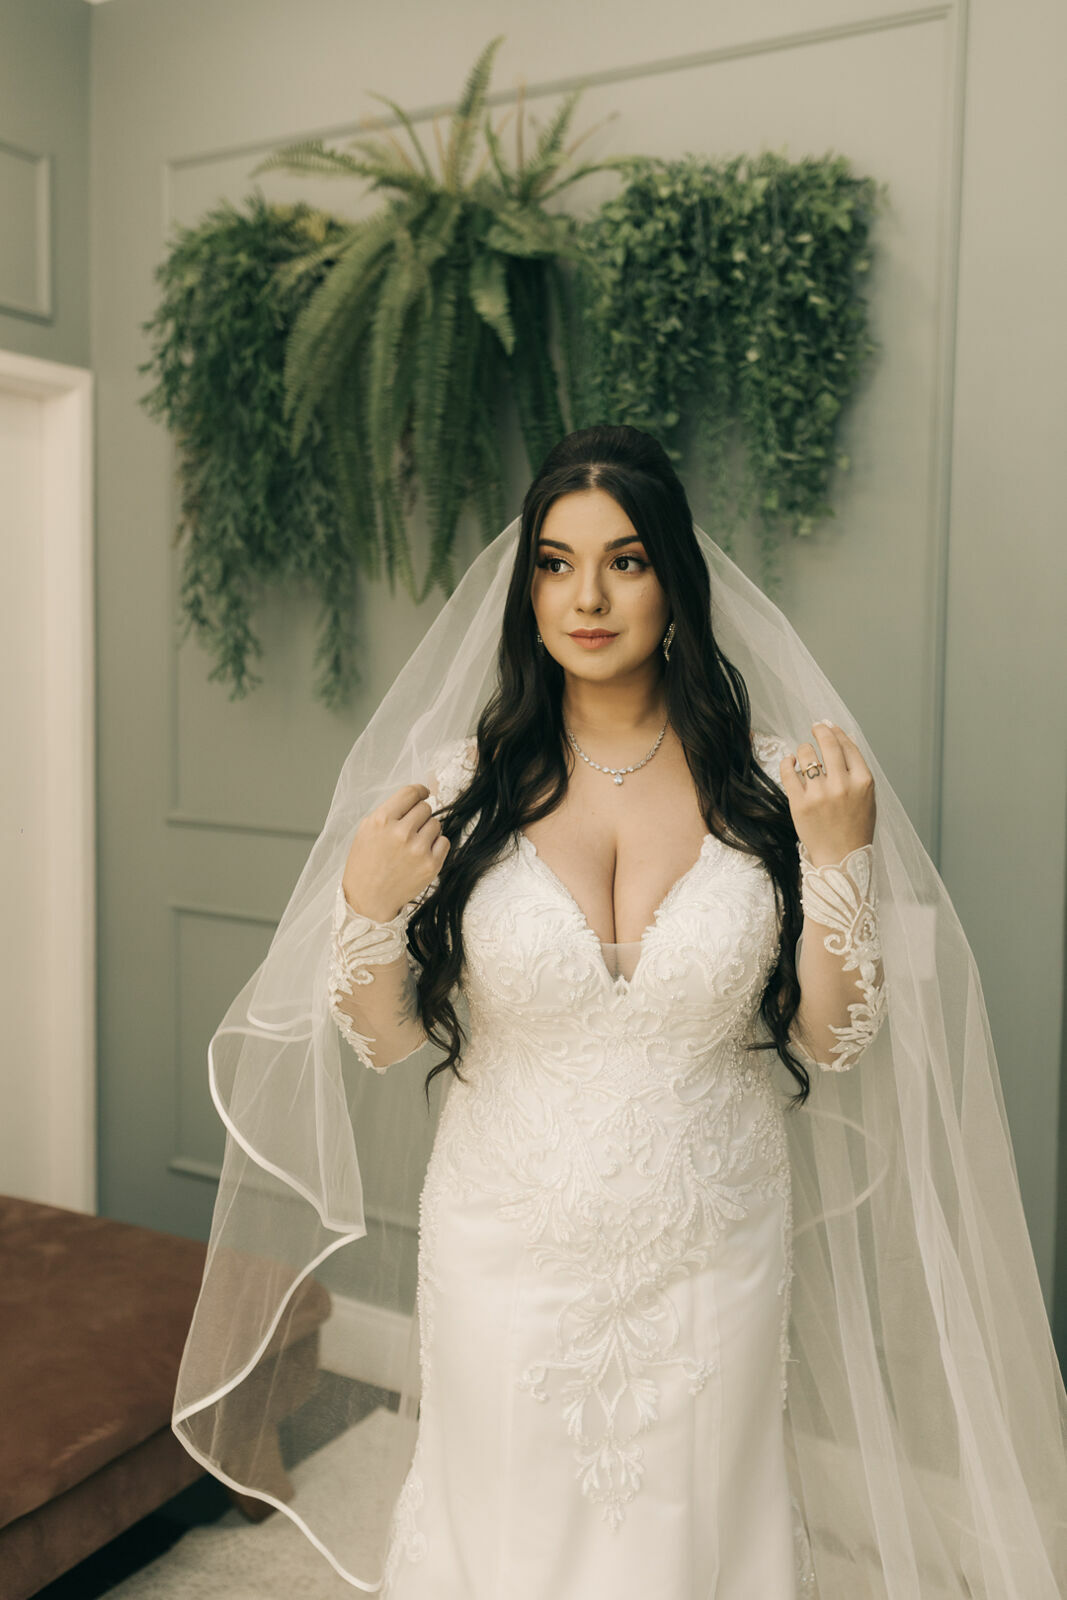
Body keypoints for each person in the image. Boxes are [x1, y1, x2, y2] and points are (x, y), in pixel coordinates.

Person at [173, 426, 1067, 1598]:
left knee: (691, 1535)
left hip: (711, 1241)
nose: (585, 595)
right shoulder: (458, 790)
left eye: (625, 560)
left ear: (675, 586)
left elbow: (830, 1036)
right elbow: (385, 1038)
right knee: (502, 1527)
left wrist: (838, 862)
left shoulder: (773, 785)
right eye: (554, 562)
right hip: (502, 1234)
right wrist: (365, 908)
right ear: (526, 590)